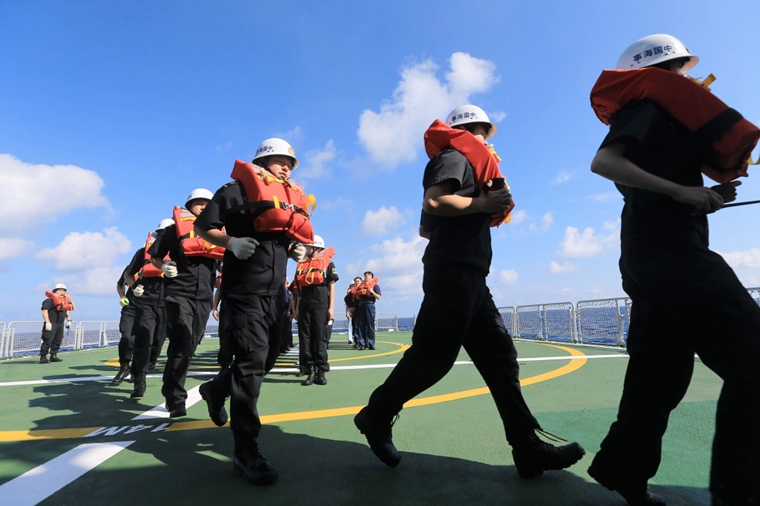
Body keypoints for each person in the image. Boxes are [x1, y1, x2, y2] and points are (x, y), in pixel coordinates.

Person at [354, 105, 585, 478]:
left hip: (471, 274)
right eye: (481, 132)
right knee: (433, 358)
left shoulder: (467, 164)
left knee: (500, 358)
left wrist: (473, 211)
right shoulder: (455, 156)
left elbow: (426, 228)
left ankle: (526, 446)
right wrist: (481, 204)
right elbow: (434, 201)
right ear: (466, 130)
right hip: (454, 272)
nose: (485, 141)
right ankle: (376, 415)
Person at [587, 34, 760, 506]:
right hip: (672, 256)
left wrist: (707, 195)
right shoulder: (648, 105)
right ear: (660, 71)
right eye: (680, 68)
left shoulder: (662, 116)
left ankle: (624, 472)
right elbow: (604, 162)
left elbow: (656, 188)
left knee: (659, 376)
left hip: (648, 257)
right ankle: (739, 494)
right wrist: (681, 191)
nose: (689, 77)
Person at [193, 138, 310, 486]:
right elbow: (202, 227)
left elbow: (285, 232)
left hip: (276, 294)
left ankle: (217, 389)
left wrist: (295, 248)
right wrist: (230, 242)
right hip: (244, 291)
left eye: (290, 162)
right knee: (251, 363)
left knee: (270, 355)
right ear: (262, 162)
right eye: (279, 160)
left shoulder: (287, 197)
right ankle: (245, 451)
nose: (286, 166)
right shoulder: (234, 191)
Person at [149, 189, 223, 417]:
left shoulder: (217, 232)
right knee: (181, 341)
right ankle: (175, 400)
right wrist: (163, 266)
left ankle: (171, 388)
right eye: (198, 203)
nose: (202, 207)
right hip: (178, 293)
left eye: (206, 204)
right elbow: (155, 256)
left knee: (190, 345)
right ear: (189, 207)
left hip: (204, 297)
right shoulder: (174, 230)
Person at [123, 218, 174, 398]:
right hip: (145, 302)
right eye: (161, 234)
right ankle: (139, 379)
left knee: (158, 341)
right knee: (144, 338)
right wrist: (135, 287)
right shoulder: (143, 252)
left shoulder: (180, 252)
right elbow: (128, 274)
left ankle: (149, 363)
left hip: (168, 302)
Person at [293, 234, 338, 386]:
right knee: (305, 340)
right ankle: (311, 371)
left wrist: (331, 308)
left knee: (320, 339)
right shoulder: (301, 264)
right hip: (305, 306)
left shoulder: (328, 263)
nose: (306, 249)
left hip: (321, 305)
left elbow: (331, 287)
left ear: (316, 248)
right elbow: (298, 291)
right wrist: (296, 309)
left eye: (308, 247)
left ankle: (321, 372)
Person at [112, 269, 137, 384]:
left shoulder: (162, 265)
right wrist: (122, 296)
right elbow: (119, 285)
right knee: (127, 338)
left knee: (145, 341)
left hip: (150, 308)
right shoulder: (132, 267)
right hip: (130, 309)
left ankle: (137, 370)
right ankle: (124, 367)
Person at [39, 284, 74, 363]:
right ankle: (43, 357)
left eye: (64, 291)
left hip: (60, 323)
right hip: (52, 322)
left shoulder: (64, 301)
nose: (62, 292)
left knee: (58, 340)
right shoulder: (49, 300)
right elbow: (44, 311)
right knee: (48, 340)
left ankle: (53, 356)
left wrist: (69, 320)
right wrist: (48, 322)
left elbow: (66, 311)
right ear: (55, 291)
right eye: (60, 290)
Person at [353, 271, 381, 350]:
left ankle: (371, 343)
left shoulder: (375, 286)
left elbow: (378, 297)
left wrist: (371, 291)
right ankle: (362, 343)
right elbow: (358, 297)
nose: (365, 277)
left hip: (370, 304)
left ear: (371, 276)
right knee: (361, 324)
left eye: (367, 275)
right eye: (364, 276)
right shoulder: (361, 286)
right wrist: (357, 294)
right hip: (362, 304)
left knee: (370, 324)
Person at [344, 277, 362, 347]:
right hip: (355, 310)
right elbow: (346, 298)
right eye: (355, 281)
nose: (357, 283)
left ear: (361, 282)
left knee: (363, 326)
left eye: (358, 281)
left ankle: (364, 341)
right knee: (355, 325)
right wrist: (350, 307)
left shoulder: (364, 289)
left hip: (363, 309)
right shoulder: (352, 290)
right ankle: (356, 341)